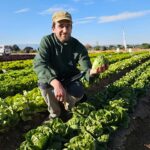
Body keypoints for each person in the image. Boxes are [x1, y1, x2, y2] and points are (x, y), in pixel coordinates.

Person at [33, 10, 108, 120]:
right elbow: (39, 63)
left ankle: (69, 108)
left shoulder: (77, 46)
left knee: (78, 91)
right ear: (53, 28)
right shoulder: (47, 41)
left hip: (70, 79)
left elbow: (86, 67)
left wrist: (92, 73)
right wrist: (55, 82)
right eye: (61, 26)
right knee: (43, 83)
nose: (65, 30)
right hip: (52, 79)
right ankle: (55, 114)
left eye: (68, 26)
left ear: (71, 28)